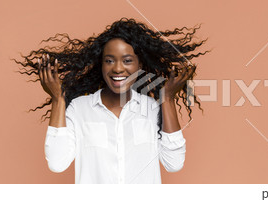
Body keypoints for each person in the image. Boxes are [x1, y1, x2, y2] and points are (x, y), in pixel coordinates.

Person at [15, 18, 208, 183]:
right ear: (100, 64)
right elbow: (57, 163)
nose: (117, 69)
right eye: (109, 60)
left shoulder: (152, 109)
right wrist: (57, 99)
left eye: (127, 60)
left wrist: (167, 99)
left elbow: (174, 163)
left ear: (140, 64)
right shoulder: (79, 109)